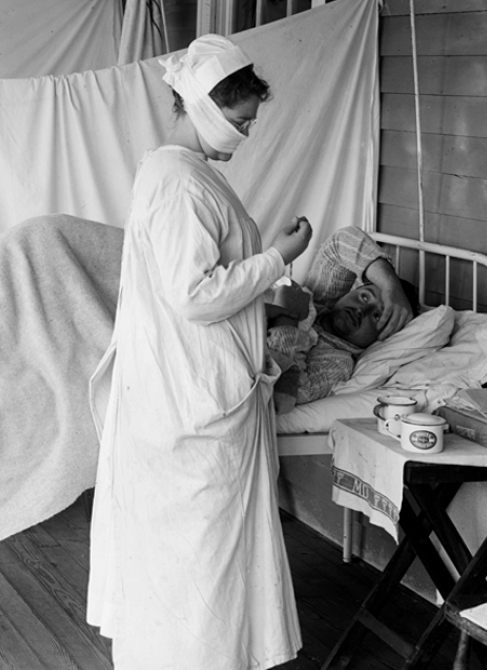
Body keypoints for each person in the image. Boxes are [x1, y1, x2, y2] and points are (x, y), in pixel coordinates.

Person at [87, 35, 310, 668]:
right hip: (191, 393)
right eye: (240, 122)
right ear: (206, 108)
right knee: (199, 554)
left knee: (196, 554)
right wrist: (278, 260)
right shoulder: (180, 182)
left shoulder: (179, 173)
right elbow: (194, 295)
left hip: (187, 382)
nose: (244, 136)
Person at [267, 226, 416, 412]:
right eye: (364, 296)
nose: (362, 310)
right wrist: (389, 286)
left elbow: (285, 396)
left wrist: (285, 316)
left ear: (385, 334)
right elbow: (341, 241)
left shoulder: (338, 362)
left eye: (377, 315)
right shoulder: (320, 300)